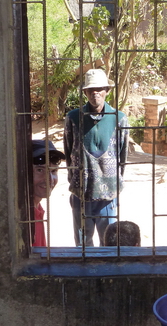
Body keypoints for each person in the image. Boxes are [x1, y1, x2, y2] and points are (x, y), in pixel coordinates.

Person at [63, 68, 129, 247]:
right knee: (83, 246)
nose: (95, 93)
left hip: (108, 195)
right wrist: (76, 179)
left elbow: (123, 157)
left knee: (110, 244)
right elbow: (69, 152)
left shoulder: (119, 119)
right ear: (85, 92)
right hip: (81, 193)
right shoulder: (73, 118)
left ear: (107, 90)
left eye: (99, 89)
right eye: (91, 90)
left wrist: (113, 182)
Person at [31, 139, 65, 247]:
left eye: (53, 171)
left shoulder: (37, 207)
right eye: (40, 170)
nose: (50, 179)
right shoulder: (25, 215)